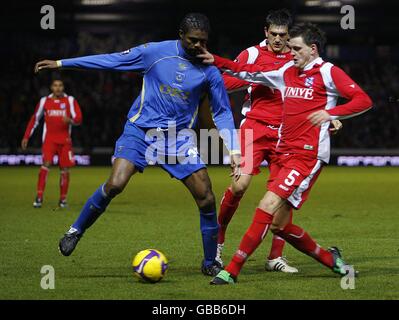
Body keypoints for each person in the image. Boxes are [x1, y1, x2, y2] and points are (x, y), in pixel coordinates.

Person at [34, 13, 241, 277]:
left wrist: (233, 149)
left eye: (203, 41)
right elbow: (112, 61)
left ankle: (210, 261)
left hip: (177, 139)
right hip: (141, 132)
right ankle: (76, 230)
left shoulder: (209, 70)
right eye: (193, 41)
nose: (198, 46)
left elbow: (222, 112)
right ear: (181, 35)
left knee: (206, 196)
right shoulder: (156, 52)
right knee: (115, 184)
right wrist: (62, 63)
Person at [198, 22, 372, 284]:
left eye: (295, 48)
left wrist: (331, 113)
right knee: (279, 225)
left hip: (307, 157)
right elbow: (251, 71)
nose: (290, 52)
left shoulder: (328, 73)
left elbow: (362, 100)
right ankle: (331, 260)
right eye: (289, 48)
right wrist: (218, 60)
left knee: (266, 206)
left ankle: (231, 270)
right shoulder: (288, 72)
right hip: (283, 150)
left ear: (312, 49)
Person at [217, 10, 342, 273]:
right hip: (254, 128)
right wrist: (260, 77)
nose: (277, 40)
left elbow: (314, 92)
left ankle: (275, 257)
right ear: (266, 32)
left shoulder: (299, 55)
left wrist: (331, 116)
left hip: (287, 133)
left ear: (289, 35)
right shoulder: (251, 54)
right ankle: (217, 243)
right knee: (239, 186)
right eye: (273, 34)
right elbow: (225, 81)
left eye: (282, 35)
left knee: (282, 196)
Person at [22, 79, 82, 208]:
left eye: (60, 85)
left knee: (65, 169)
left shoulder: (70, 100)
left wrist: (70, 120)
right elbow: (35, 119)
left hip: (65, 141)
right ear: (51, 87)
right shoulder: (45, 101)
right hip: (49, 140)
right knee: (46, 164)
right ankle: (39, 197)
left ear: (63, 87)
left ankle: (63, 199)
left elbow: (79, 119)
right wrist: (26, 136)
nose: (58, 88)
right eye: (55, 85)